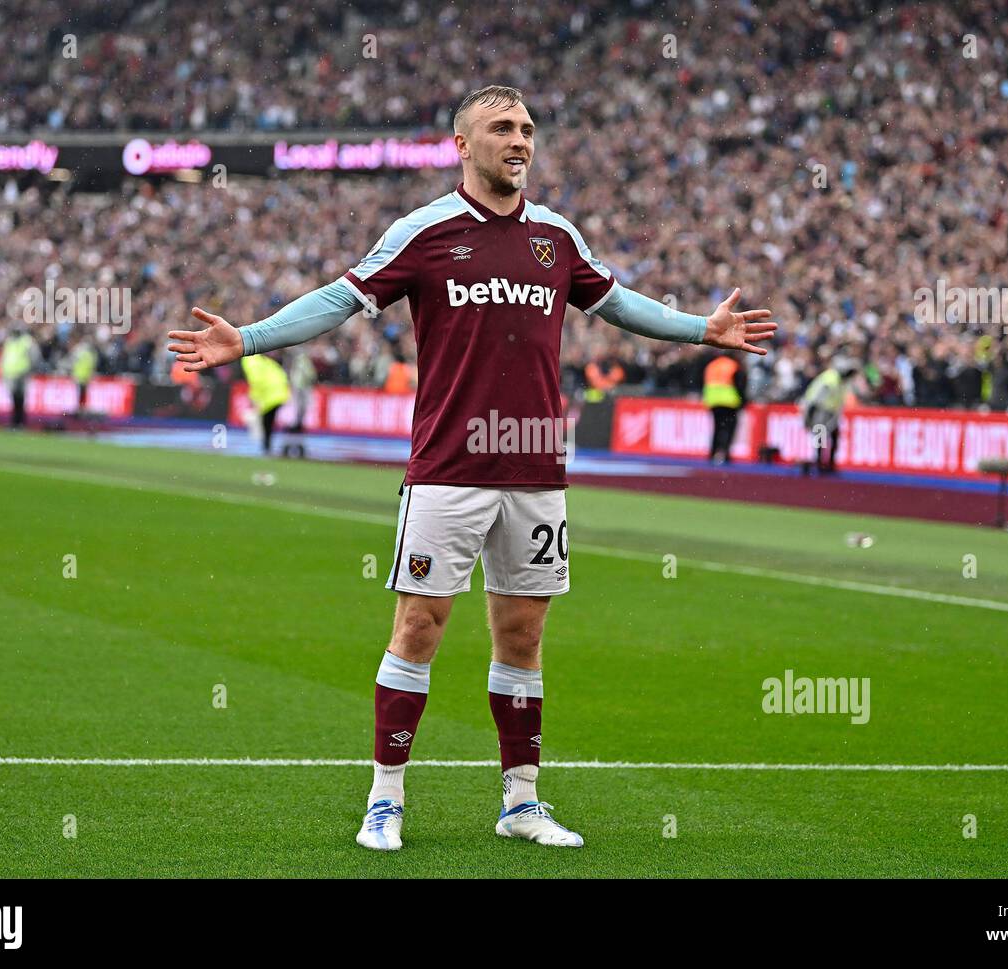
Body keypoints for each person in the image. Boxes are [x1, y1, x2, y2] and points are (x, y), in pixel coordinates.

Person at [167, 85, 777, 852]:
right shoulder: (424, 231)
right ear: (463, 144)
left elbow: (618, 303)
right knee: (419, 625)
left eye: (527, 127)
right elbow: (340, 299)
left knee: (522, 635)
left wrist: (700, 330)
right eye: (501, 128)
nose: (519, 139)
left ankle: (521, 801)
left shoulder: (556, 237)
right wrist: (249, 338)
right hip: (448, 467)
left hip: (536, 471)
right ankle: (385, 799)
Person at [799, 356, 856, 474]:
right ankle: (820, 463)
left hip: (831, 411)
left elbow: (840, 400)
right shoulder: (830, 379)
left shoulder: (843, 382)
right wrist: (809, 415)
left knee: (834, 436)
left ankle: (829, 464)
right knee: (821, 436)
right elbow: (816, 398)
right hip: (820, 409)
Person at [240, 349, 291, 455]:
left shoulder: (250, 360)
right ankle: (267, 447)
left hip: (272, 395)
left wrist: (255, 398)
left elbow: (256, 380)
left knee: (266, 423)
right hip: (279, 391)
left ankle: (266, 448)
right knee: (268, 422)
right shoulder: (259, 359)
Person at [703, 350, 744, 464]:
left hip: (714, 401)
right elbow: (739, 385)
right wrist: (743, 401)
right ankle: (725, 454)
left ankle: (713, 453)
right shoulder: (732, 365)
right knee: (729, 429)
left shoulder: (712, 365)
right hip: (729, 401)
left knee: (717, 428)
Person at [0, 327, 39, 428]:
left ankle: (19, 421)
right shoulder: (11, 341)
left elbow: (35, 356)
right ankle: (17, 421)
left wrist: (30, 369)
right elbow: (5, 357)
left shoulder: (26, 341)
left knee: (19, 399)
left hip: (21, 373)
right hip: (12, 374)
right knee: (15, 399)